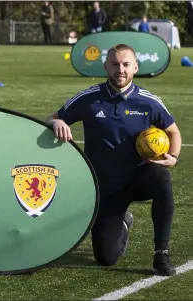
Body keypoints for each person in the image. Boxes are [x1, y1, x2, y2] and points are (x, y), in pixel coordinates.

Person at [45, 43, 181, 276]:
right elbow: (52, 118)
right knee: (106, 258)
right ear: (106, 66)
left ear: (135, 67)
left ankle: (161, 254)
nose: (121, 69)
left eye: (126, 64)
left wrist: (173, 158)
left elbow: (173, 132)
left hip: (139, 177)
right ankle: (123, 222)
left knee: (161, 178)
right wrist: (57, 122)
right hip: (105, 185)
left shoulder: (148, 101)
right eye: (115, 64)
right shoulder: (89, 98)